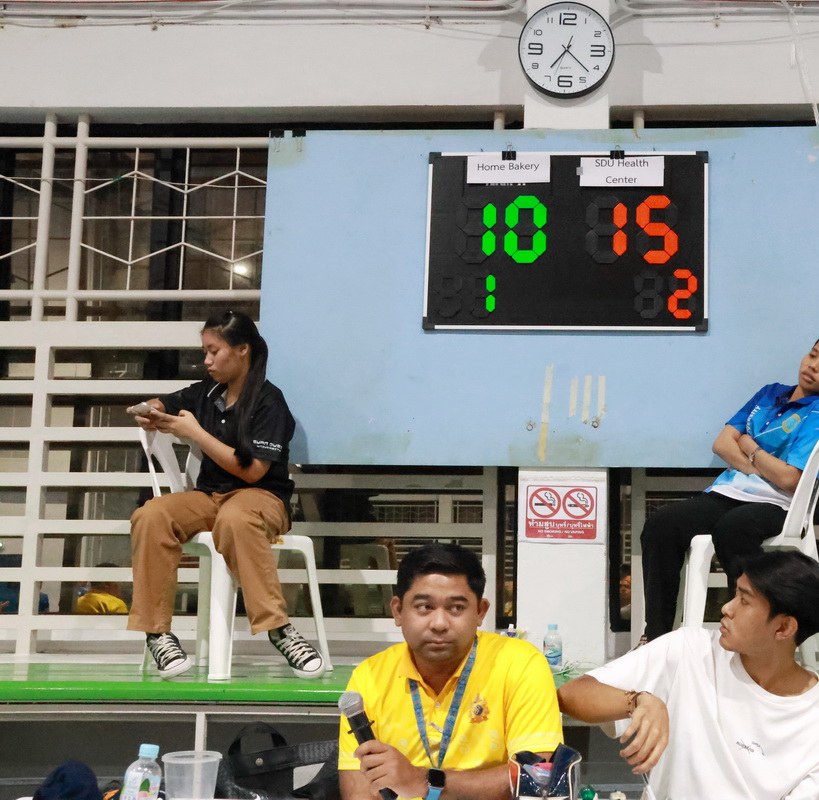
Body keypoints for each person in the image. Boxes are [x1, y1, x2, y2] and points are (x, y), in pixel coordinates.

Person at [558, 549, 819, 800]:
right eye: (734, 594)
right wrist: (638, 700)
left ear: (783, 628)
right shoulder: (690, 650)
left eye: (744, 600)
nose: (726, 608)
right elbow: (570, 694)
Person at [125, 311, 323, 679]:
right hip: (210, 497)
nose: (207, 360)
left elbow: (252, 471)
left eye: (214, 351)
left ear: (242, 349)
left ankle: (278, 628)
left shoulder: (269, 402)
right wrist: (150, 411)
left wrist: (195, 433)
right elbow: (165, 402)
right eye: (205, 351)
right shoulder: (207, 391)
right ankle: (157, 633)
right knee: (151, 514)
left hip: (261, 497)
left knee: (237, 519)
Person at [639, 332, 819, 640]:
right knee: (661, 525)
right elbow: (721, 443)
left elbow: (789, 479)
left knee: (734, 529)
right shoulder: (769, 394)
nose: (813, 365)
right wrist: (760, 467)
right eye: (813, 355)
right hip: (726, 493)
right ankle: (656, 638)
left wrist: (749, 447)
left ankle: (748, 634)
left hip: (775, 504)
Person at [339, 542, 563, 800]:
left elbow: (537, 777)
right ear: (398, 611)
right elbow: (359, 791)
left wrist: (424, 782)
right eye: (424, 607)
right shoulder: (369, 677)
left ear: (480, 612)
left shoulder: (519, 663)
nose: (439, 624)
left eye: (456, 608)